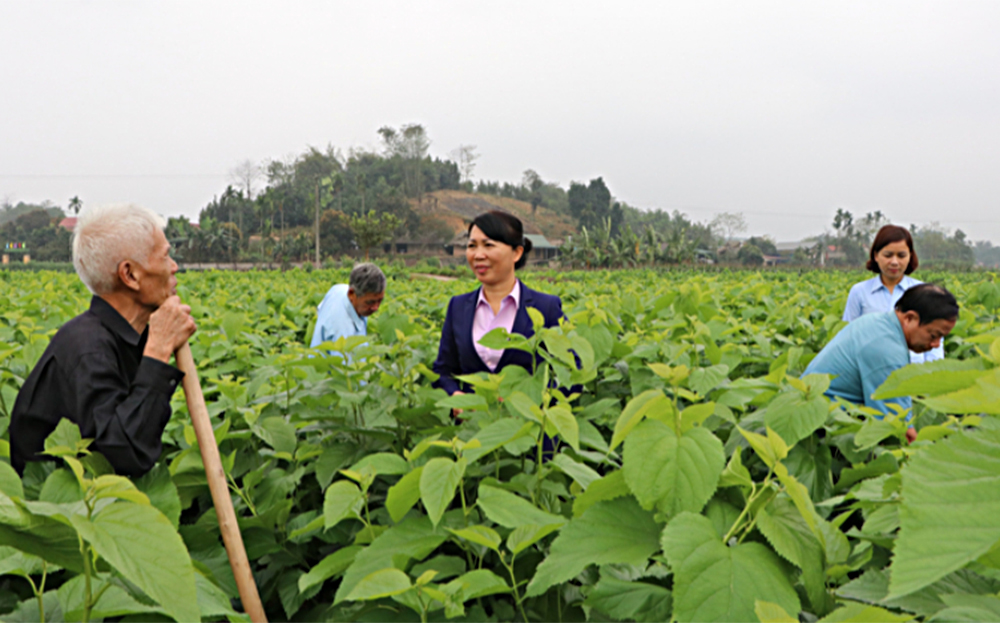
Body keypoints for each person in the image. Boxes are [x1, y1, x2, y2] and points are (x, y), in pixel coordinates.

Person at [10, 204, 197, 477]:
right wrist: (158, 349)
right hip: (59, 509)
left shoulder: (125, 336)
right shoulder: (89, 349)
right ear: (130, 275)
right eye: (166, 256)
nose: (174, 267)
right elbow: (126, 454)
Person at [804, 283, 958, 443]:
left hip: (814, 408)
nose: (937, 345)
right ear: (909, 318)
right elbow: (893, 426)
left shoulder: (878, 322)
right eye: (933, 335)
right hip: (820, 425)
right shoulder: (887, 350)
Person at [433, 211, 563, 399]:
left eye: (488, 245)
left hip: (525, 425)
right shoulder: (458, 307)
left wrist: (533, 401)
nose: (478, 255)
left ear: (516, 253)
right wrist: (454, 394)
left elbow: (568, 372)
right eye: (471, 246)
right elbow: (443, 370)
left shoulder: (545, 308)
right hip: (471, 425)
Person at [843, 225, 944, 363]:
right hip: (870, 375)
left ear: (910, 256)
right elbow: (847, 340)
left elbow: (934, 345)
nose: (895, 262)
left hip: (914, 374)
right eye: (888, 255)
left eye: (901, 255)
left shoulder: (925, 293)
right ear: (876, 255)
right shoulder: (859, 292)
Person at [310, 263, 386, 353]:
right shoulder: (342, 329)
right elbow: (345, 366)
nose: (376, 307)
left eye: (380, 300)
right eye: (370, 302)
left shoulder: (339, 290)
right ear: (351, 294)